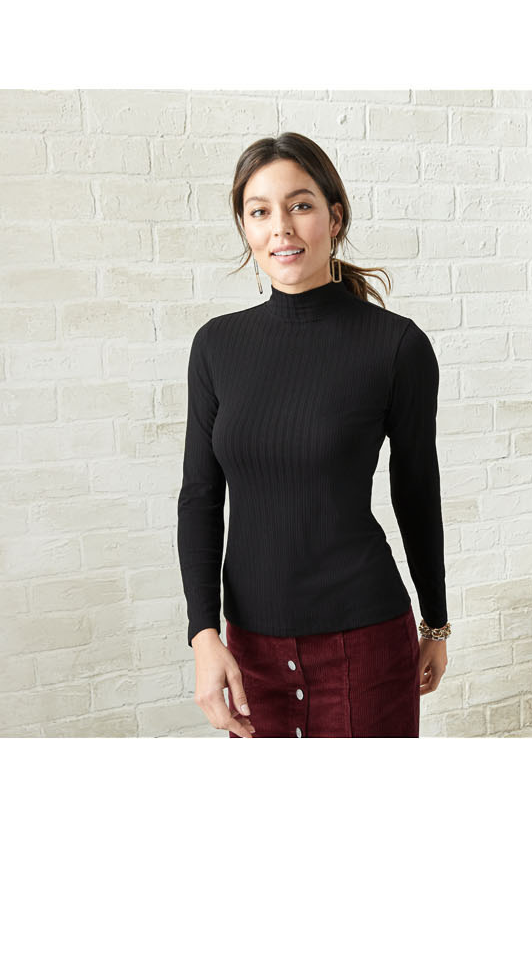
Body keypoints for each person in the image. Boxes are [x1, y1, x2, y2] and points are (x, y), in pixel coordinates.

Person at [177, 132, 450, 738]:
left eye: (300, 205)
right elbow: (200, 496)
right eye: (260, 211)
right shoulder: (216, 346)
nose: (281, 227)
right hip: (249, 655)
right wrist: (203, 634)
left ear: (335, 217)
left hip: (366, 645)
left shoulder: (396, 346)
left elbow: (416, 492)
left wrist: (435, 623)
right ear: (245, 228)